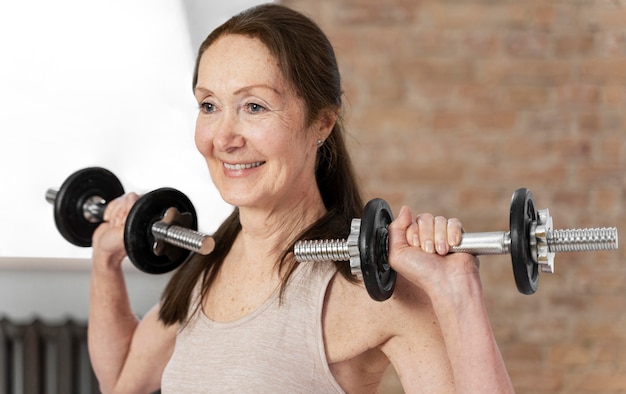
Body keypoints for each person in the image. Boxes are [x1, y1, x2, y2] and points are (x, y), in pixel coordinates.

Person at [87, 3, 514, 393]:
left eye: (254, 107)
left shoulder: (372, 287)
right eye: (209, 105)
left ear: (322, 123)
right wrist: (106, 264)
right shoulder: (206, 266)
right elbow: (123, 380)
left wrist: (460, 291)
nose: (223, 138)